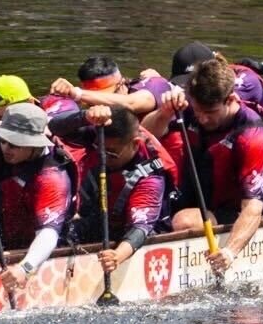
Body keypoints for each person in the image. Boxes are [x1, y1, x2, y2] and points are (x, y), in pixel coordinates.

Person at [170, 56, 263, 276]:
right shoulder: (190, 105)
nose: (201, 118)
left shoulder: (254, 136)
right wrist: (163, 112)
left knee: (184, 221)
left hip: (232, 210)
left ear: (230, 100)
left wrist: (229, 252)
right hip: (190, 196)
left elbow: (253, 208)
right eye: (197, 110)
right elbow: (145, 132)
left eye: (209, 113)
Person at [54, 103, 176, 271]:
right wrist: (84, 116)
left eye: (111, 153)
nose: (103, 157)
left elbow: (140, 227)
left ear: (135, 144)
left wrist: (118, 256)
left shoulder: (151, 178)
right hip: (103, 219)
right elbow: (53, 127)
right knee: (61, 232)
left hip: (142, 233)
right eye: (99, 149)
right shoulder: (101, 135)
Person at [0, 103, 74, 286]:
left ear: (33, 143)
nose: (6, 148)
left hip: (39, 248)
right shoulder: (4, 149)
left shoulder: (51, 179)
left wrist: (25, 268)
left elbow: (48, 234)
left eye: (14, 144)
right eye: (3, 140)